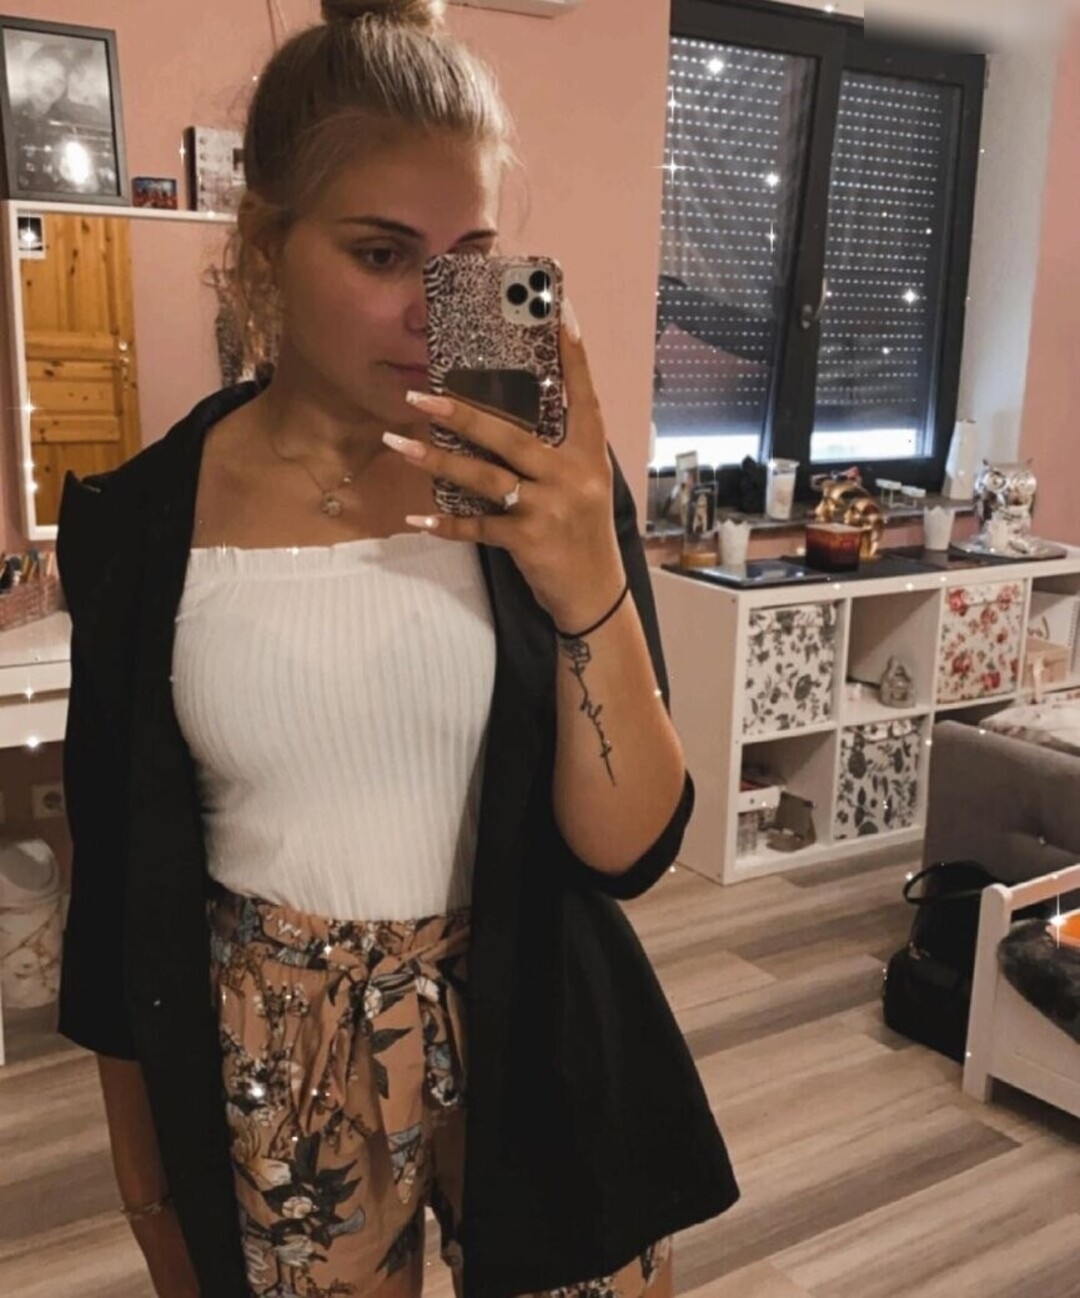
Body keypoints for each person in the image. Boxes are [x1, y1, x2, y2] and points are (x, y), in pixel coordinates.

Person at [55, 2, 739, 1296]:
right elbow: (118, 901)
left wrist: (590, 578)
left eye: (471, 257)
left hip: (535, 1012)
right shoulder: (143, 522)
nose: (437, 309)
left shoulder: (536, 484)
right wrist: (147, 1194)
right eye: (381, 252)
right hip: (279, 1052)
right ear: (266, 245)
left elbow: (632, 848)